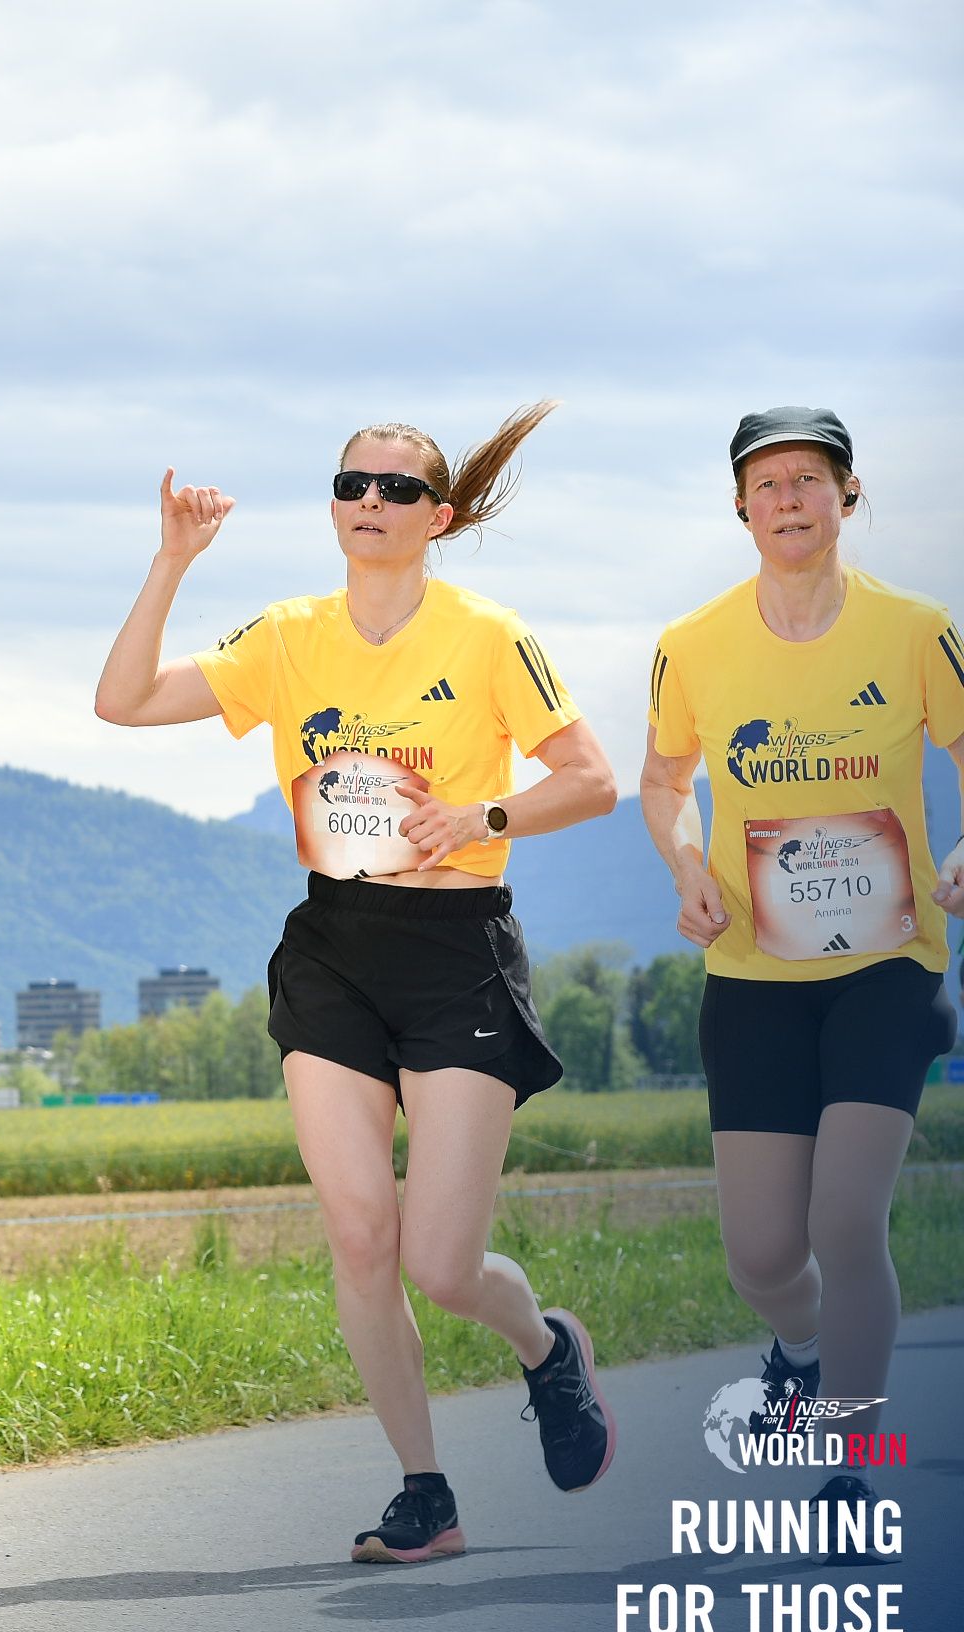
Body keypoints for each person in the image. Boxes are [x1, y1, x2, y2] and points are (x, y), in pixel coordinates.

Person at [93, 404, 620, 1563]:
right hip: (335, 947)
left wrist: (482, 815)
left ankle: (546, 1347)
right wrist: (172, 561)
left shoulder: (489, 635)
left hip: (456, 952)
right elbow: (122, 700)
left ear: (438, 515)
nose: (369, 502)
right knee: (360, 1231)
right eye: (351, 485)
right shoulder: (288, 634)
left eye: (395, 488)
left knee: (441, 1262)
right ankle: (425, 1488)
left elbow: (590, 777)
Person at [642, 406, 961, 1563]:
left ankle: (850, 1466)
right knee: (765, 1255)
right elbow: (665, 780)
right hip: (754, 970)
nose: (788, 498)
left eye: (810, 479)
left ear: (846, 495)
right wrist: (687, 863)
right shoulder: (693, 642)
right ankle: (801, 1349)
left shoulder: (916, 629)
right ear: (741, 507)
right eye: (767, 482)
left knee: (845, 1218)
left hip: (887, 960)